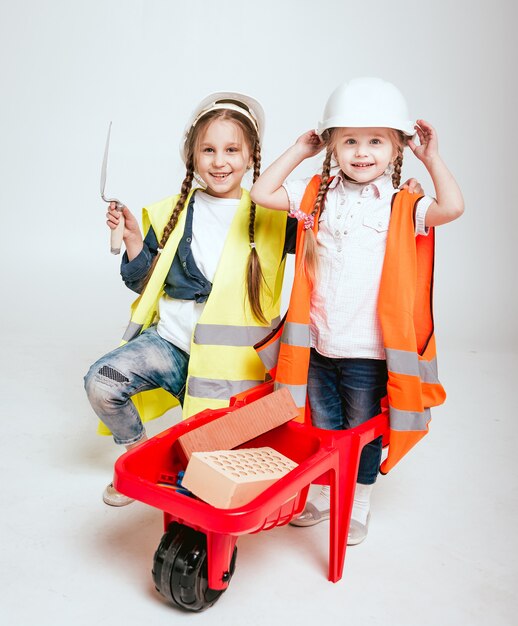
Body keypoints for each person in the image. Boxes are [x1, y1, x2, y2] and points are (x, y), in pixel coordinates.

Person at [250, 77, 464, 544]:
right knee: (323, 428)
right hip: (320, 346)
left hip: (368, 353)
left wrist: (432, 159)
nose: (361, 152)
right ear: (332, 145)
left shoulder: (401, 203)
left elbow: (452, 207)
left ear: (396, 148)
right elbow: (262, 194)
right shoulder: (315, 194)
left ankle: (359, 504)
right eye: (348, 140)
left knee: (361, 434)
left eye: (375, 142)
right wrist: (298, 150)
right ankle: (326, 499)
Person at [85, 92, 296, 506]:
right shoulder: (169, 212)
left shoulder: (274, 216)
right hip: (170, 347)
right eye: (209, 150)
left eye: (232, 150)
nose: (220, 161)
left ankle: (279, 493)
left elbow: (327, 243)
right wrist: (131, 240)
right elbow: (141, 282)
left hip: (230, 368)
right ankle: (137, 459)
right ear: (192, 156)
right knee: (101, 382)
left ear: (252, 154)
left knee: (211, 474)